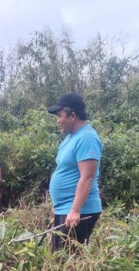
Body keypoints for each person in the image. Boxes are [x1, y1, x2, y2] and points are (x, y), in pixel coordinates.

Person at [46, 93, 102, 251]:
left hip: (79, 211)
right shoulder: (70, 138)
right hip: (65, 208)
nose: (58, 121)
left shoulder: (87, 138)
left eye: (59, 116)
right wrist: (57, 205)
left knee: (69, 261)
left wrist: (75, 210)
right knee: (57, 256)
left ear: (72, 115)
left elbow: (87, 176)